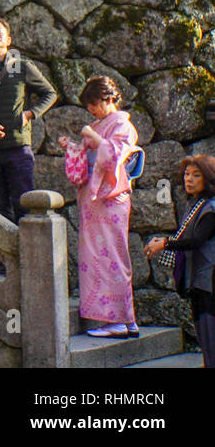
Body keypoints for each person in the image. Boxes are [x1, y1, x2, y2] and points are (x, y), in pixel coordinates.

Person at [58, 76, 140, 338]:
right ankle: (120, 320)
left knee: (114, 257)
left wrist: (92, 136)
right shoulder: (98, 124)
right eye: (89, 106)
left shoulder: (123, 126)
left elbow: (113, 156)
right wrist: (71, 148)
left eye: (94, 104)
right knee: (95, 257)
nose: (91, 110)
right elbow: (87, 157)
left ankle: (121, 320)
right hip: (92, 199)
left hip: (110, 198)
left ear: (108, 99)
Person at [0, 15, 57, 237]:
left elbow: (49, 93)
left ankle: (27, 255)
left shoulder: (21, 67)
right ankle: (3, 257)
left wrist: (30, 114)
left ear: (8, 39)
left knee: (23, 202)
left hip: (17, 146)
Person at [144, 156, 215, 366]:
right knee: (205, 335)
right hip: (199, 280)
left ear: (209, 179)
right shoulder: (195, 204)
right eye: (186, 174)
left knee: (210, 334)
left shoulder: (210, 209)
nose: (189, 180)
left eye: (196, 175)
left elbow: (196, 240)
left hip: (209, 280)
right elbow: (186, 237)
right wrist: (165, 242)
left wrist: (165, 244)